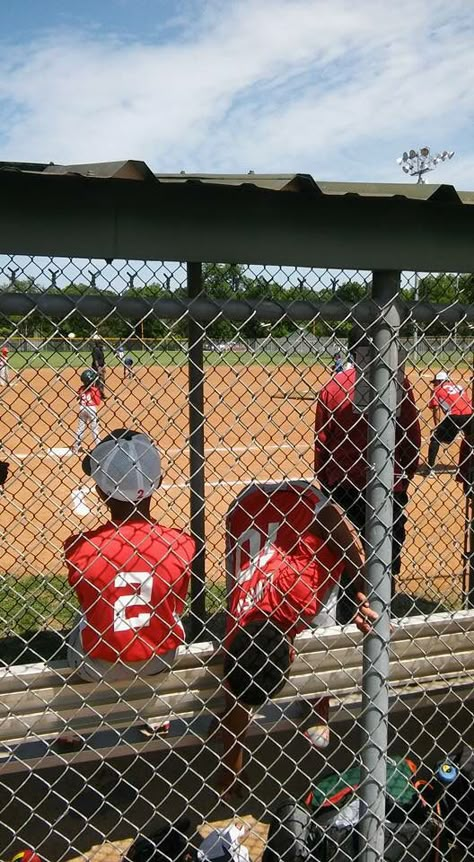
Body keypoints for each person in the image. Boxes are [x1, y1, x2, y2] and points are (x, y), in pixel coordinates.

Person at [218, 480, 377, 800]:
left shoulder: (302, 591)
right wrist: (229, 768)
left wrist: (363, 591)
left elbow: (338, 533)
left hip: (302, 498)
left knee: (323, 614)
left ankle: (319, 705)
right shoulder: (236, 634)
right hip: (245, 507)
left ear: (292, 653)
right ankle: (314, 705)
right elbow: (236, 690)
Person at [64, 428, 195, 700]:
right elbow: (176, 603)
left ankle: (71, 730)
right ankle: (158, 719)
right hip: (161, 657)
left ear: (100, 492)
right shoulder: (182, 544)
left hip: (97, 665)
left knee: (82, 617)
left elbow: (88, 601)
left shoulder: (80, 548)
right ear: (158, 481)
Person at [314, 328, 420, 602]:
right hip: (387, 485)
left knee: (345, 552)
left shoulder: (333, 386)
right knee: (386, 551)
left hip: (343, 486)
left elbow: (322, 443)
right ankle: (382, 604)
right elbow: (411, 436)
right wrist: (403, 477)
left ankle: (350, 604)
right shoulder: (398, 383)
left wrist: (327, 484)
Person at [427, 371, 473, 470]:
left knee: (435, 439)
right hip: (470, 415)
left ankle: (430, 469)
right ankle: (468, 466)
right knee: (470, 439)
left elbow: (435, 408)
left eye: (435, 382)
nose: (434, 384)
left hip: (454, 416)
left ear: (440, 381)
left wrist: (437, 426)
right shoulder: (459, 387)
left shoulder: (437, 390)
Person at [72, 369, 102, 455]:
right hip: (91, 409)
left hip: (82, 408)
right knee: (94, 430)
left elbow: (78, 396)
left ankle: (76, 448)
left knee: (80, 429)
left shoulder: (81, 389)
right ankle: (99, 447)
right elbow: (98, 402)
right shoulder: (94, 390)